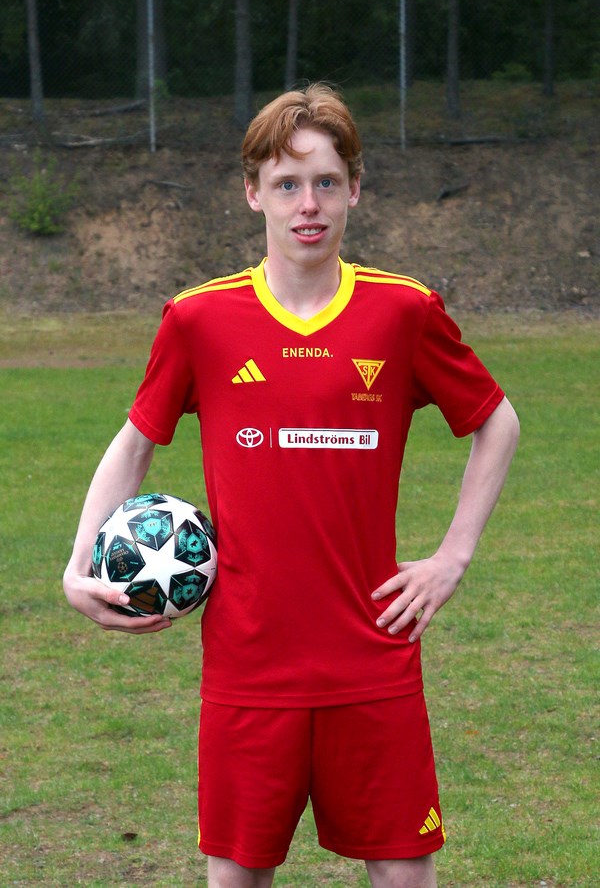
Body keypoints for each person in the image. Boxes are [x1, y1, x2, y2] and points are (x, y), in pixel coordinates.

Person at [64, 83, 520, 887]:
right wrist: (78, 569)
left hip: (373, 657)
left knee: (405, 873)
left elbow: (498, 421)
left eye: (326, 182)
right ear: (253, 193)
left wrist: (452, 557)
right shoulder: (198, 319)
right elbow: (135, 444)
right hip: (247, 666)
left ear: (355, 188)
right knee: (237, 877)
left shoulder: (403, 311)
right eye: (286, 184)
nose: (308, 205)